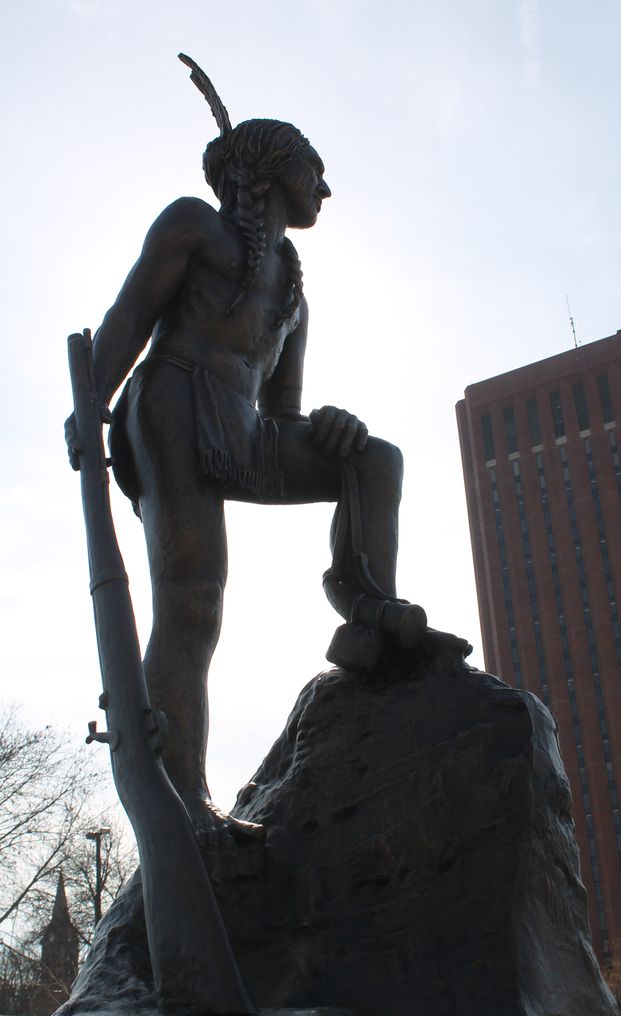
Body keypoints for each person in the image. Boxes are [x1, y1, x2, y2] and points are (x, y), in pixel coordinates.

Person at [67, 56, 429, 845]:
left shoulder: (294, 293)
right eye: (314, 168)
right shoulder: (192, 226)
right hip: (170, 403)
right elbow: (128, 316)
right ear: (269, 167)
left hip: (246, 430)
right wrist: (88, 405)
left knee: (375, 459)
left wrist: (325, 429)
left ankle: (366, 606)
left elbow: (285, 414)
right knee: (194, 600)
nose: (325, 189)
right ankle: (183, 800)